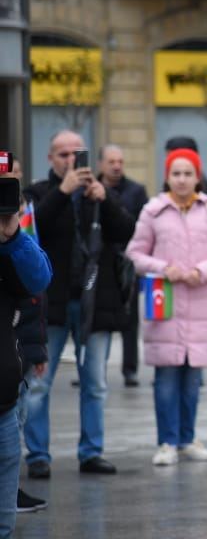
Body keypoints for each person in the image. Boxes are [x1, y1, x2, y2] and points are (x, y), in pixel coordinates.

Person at [23, 130, 136, 478]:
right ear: (50, 159)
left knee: (95, 383)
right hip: (50, 304)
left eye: (77, 154)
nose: (71, 161)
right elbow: (30, 229)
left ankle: (91, 452)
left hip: (94, 303)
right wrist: (62, 191)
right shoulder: (39, 192)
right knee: (40, 383)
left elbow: (126, 232)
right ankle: (38, 455)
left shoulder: (97, 193)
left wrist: (106, 199)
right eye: (63, 155)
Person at [125, 148, 207, 466]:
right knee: (165, 377)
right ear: (167, 177)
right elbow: (135, 254)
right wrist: (164, 268)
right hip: (165, 303)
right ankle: (167, 441)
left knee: (192, 379)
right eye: (176, 173)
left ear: (198, 177)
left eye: (188, 173)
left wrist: (202, 271)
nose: (182, 179)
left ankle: (188, 438)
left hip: (201, 302)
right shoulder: (153, 211)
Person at [0, 182, 51, 536]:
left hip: (3, 399)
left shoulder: (10, 245)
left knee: (4, 523)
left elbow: (39, 278)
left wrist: (11, 232)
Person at [97, 145, 149, 387]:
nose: (116, 166)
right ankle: (94, 368)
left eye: (120, 161)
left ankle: (130, 369)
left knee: (129, 318)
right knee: (95, 320)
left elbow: (142, 226)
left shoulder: (137, 191)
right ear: (101, 164)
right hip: (98, 261)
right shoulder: (89, 188)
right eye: (111, 162)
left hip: (126, 261)